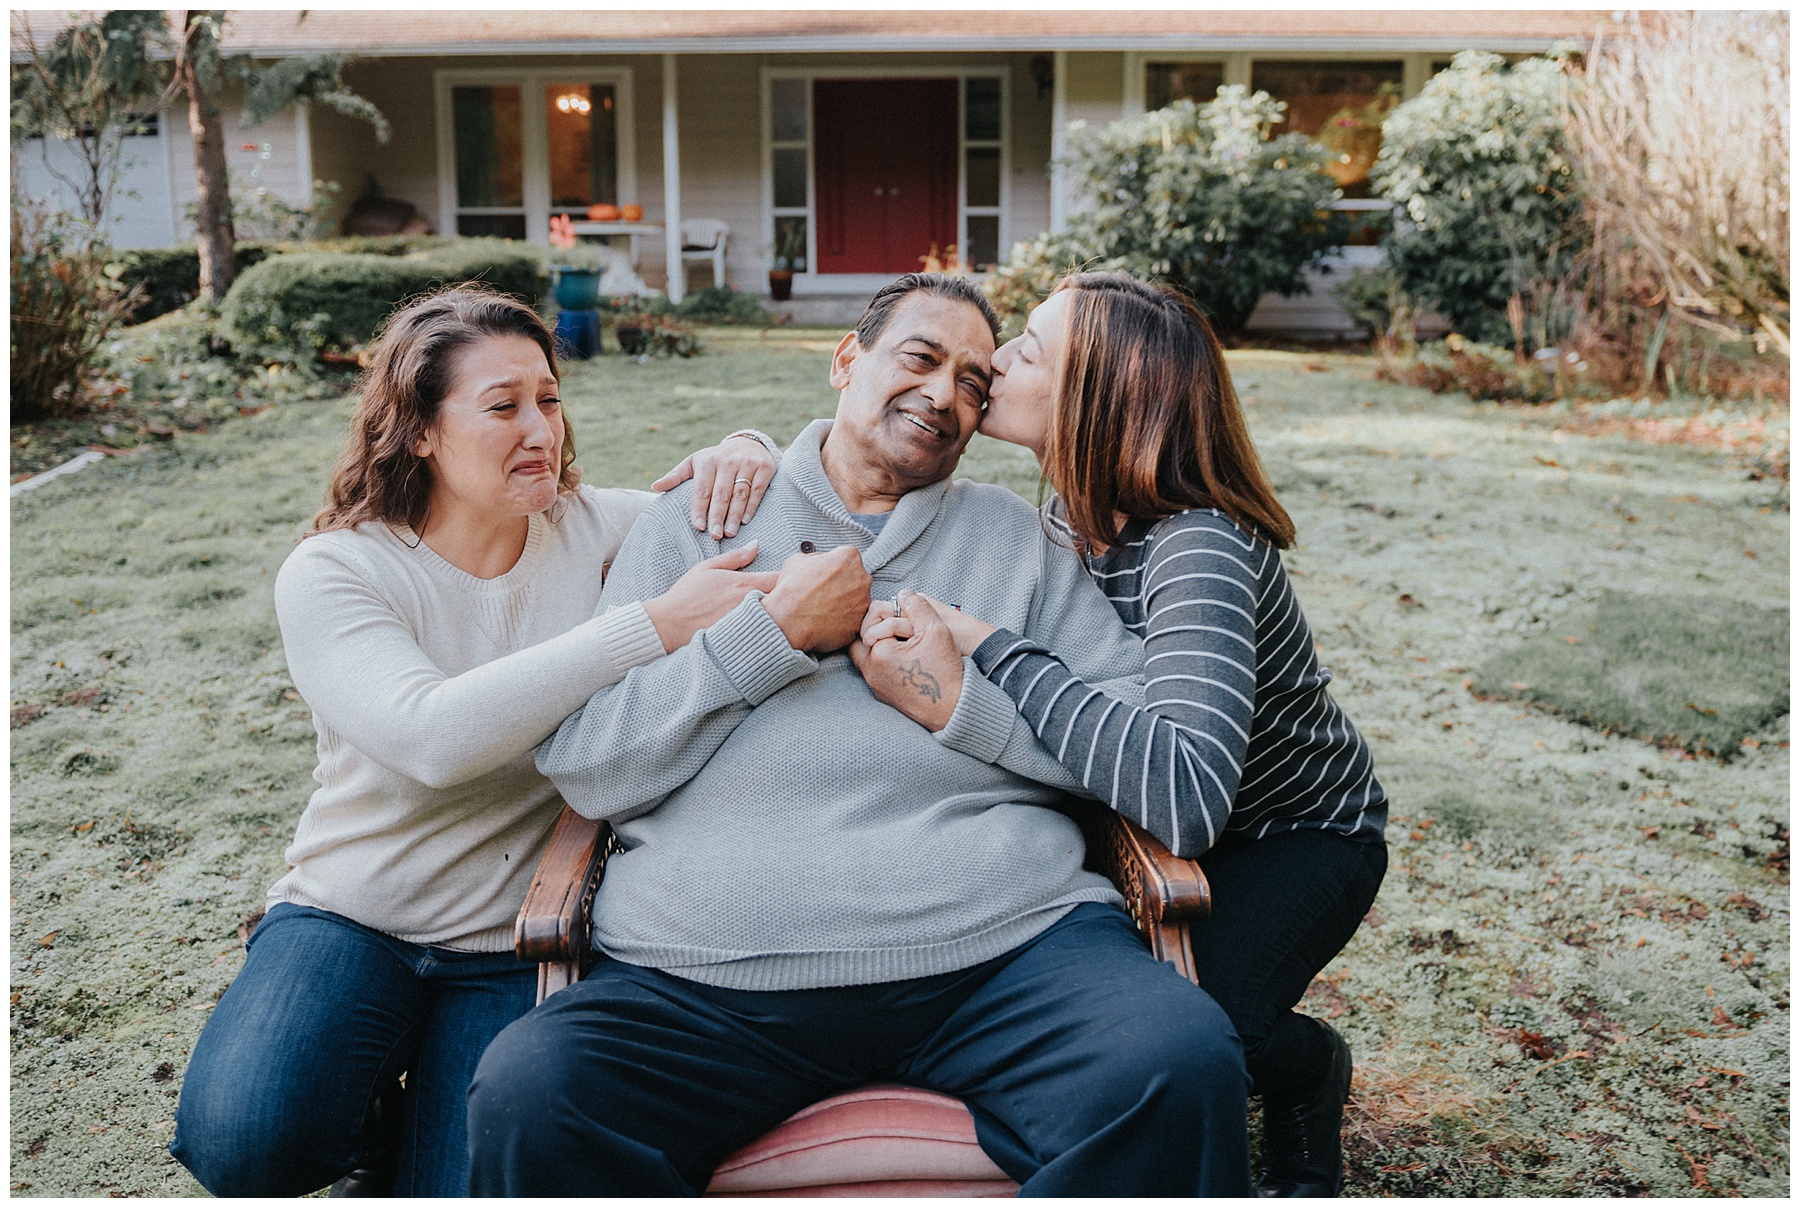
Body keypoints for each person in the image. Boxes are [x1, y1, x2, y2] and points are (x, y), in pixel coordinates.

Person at [466, 273, 1254, 1196]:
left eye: (971, 381)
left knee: (1180, 1061)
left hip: (1003, 955)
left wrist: (965, 704)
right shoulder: (697, 523)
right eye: (919, 358)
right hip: (707, 979)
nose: (942, 394)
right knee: (531, 1093)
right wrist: (769, 641)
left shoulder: (1019, 541)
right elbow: (590, 770)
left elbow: (1134, 743)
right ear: (847, 360)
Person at [169, 287, 791, 1198]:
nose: (539, 429)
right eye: (502, 407)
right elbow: (433, 737)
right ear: (418, 429)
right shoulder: (341, 570)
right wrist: (649, 626)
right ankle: (361, 1102)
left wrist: (749, 448)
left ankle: (392, 1146)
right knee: (246, 1145)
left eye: (548, 398)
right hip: (354, 917)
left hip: (509, 945)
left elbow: (756, 510)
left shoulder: (593, 529)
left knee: (475, 1186)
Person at [870, 272, 1389, 1197]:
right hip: (1144, 821)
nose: (997, 361)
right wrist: (745, 455)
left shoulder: (1196, 548)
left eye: (1029, 348)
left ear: (1096, 399)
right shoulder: (1072, 515)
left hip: (1293, 835)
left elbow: (1188, 796)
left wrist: (999, 649)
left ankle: (1308, 1072)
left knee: (1206, 1031)